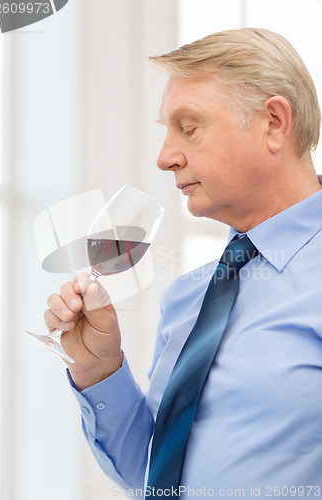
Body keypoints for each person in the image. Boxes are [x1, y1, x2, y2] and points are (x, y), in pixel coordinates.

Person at [45, 28, 322, 497]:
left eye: (188, 128)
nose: (164, 157)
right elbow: (154, 476)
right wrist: (100, 371)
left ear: (274, 123)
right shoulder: (190, 297)